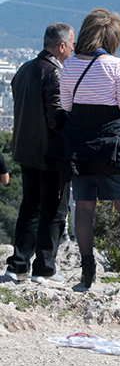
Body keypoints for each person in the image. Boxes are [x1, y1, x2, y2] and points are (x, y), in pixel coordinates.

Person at [47, 9, 120, 289]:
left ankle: (87, 270)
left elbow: (67, 107)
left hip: (80, 147)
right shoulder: (115, 65)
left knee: (83, 207)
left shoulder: (69, 65)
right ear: (113, 36)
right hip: (113, 145)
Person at [2, 23, 73, 285]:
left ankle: (18, 264)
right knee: (54, 211)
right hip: (50, 154)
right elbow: (56, 119)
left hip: (25, 150)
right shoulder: (53, 73)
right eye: (72, 44)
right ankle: (45, 268)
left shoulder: (23, 70)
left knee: (29, 208)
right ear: (62, 46)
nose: (73, 49)